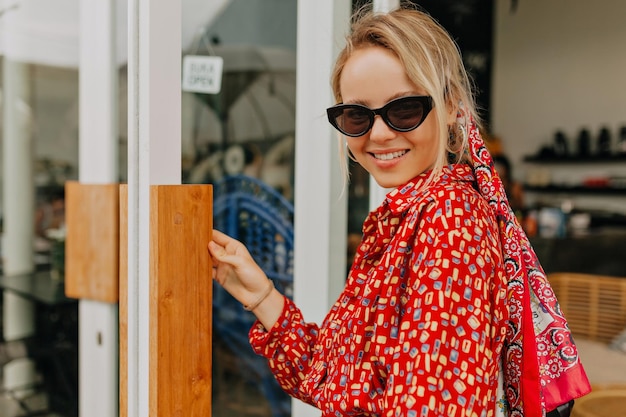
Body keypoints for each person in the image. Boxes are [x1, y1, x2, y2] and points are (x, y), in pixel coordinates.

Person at [209, 5, 591, 417]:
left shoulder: (449, 222)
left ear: (449, 108)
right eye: (356, 115)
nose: (378, 133)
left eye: (404, 109)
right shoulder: (410, 217)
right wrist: (260, 294)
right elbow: (336, 380)